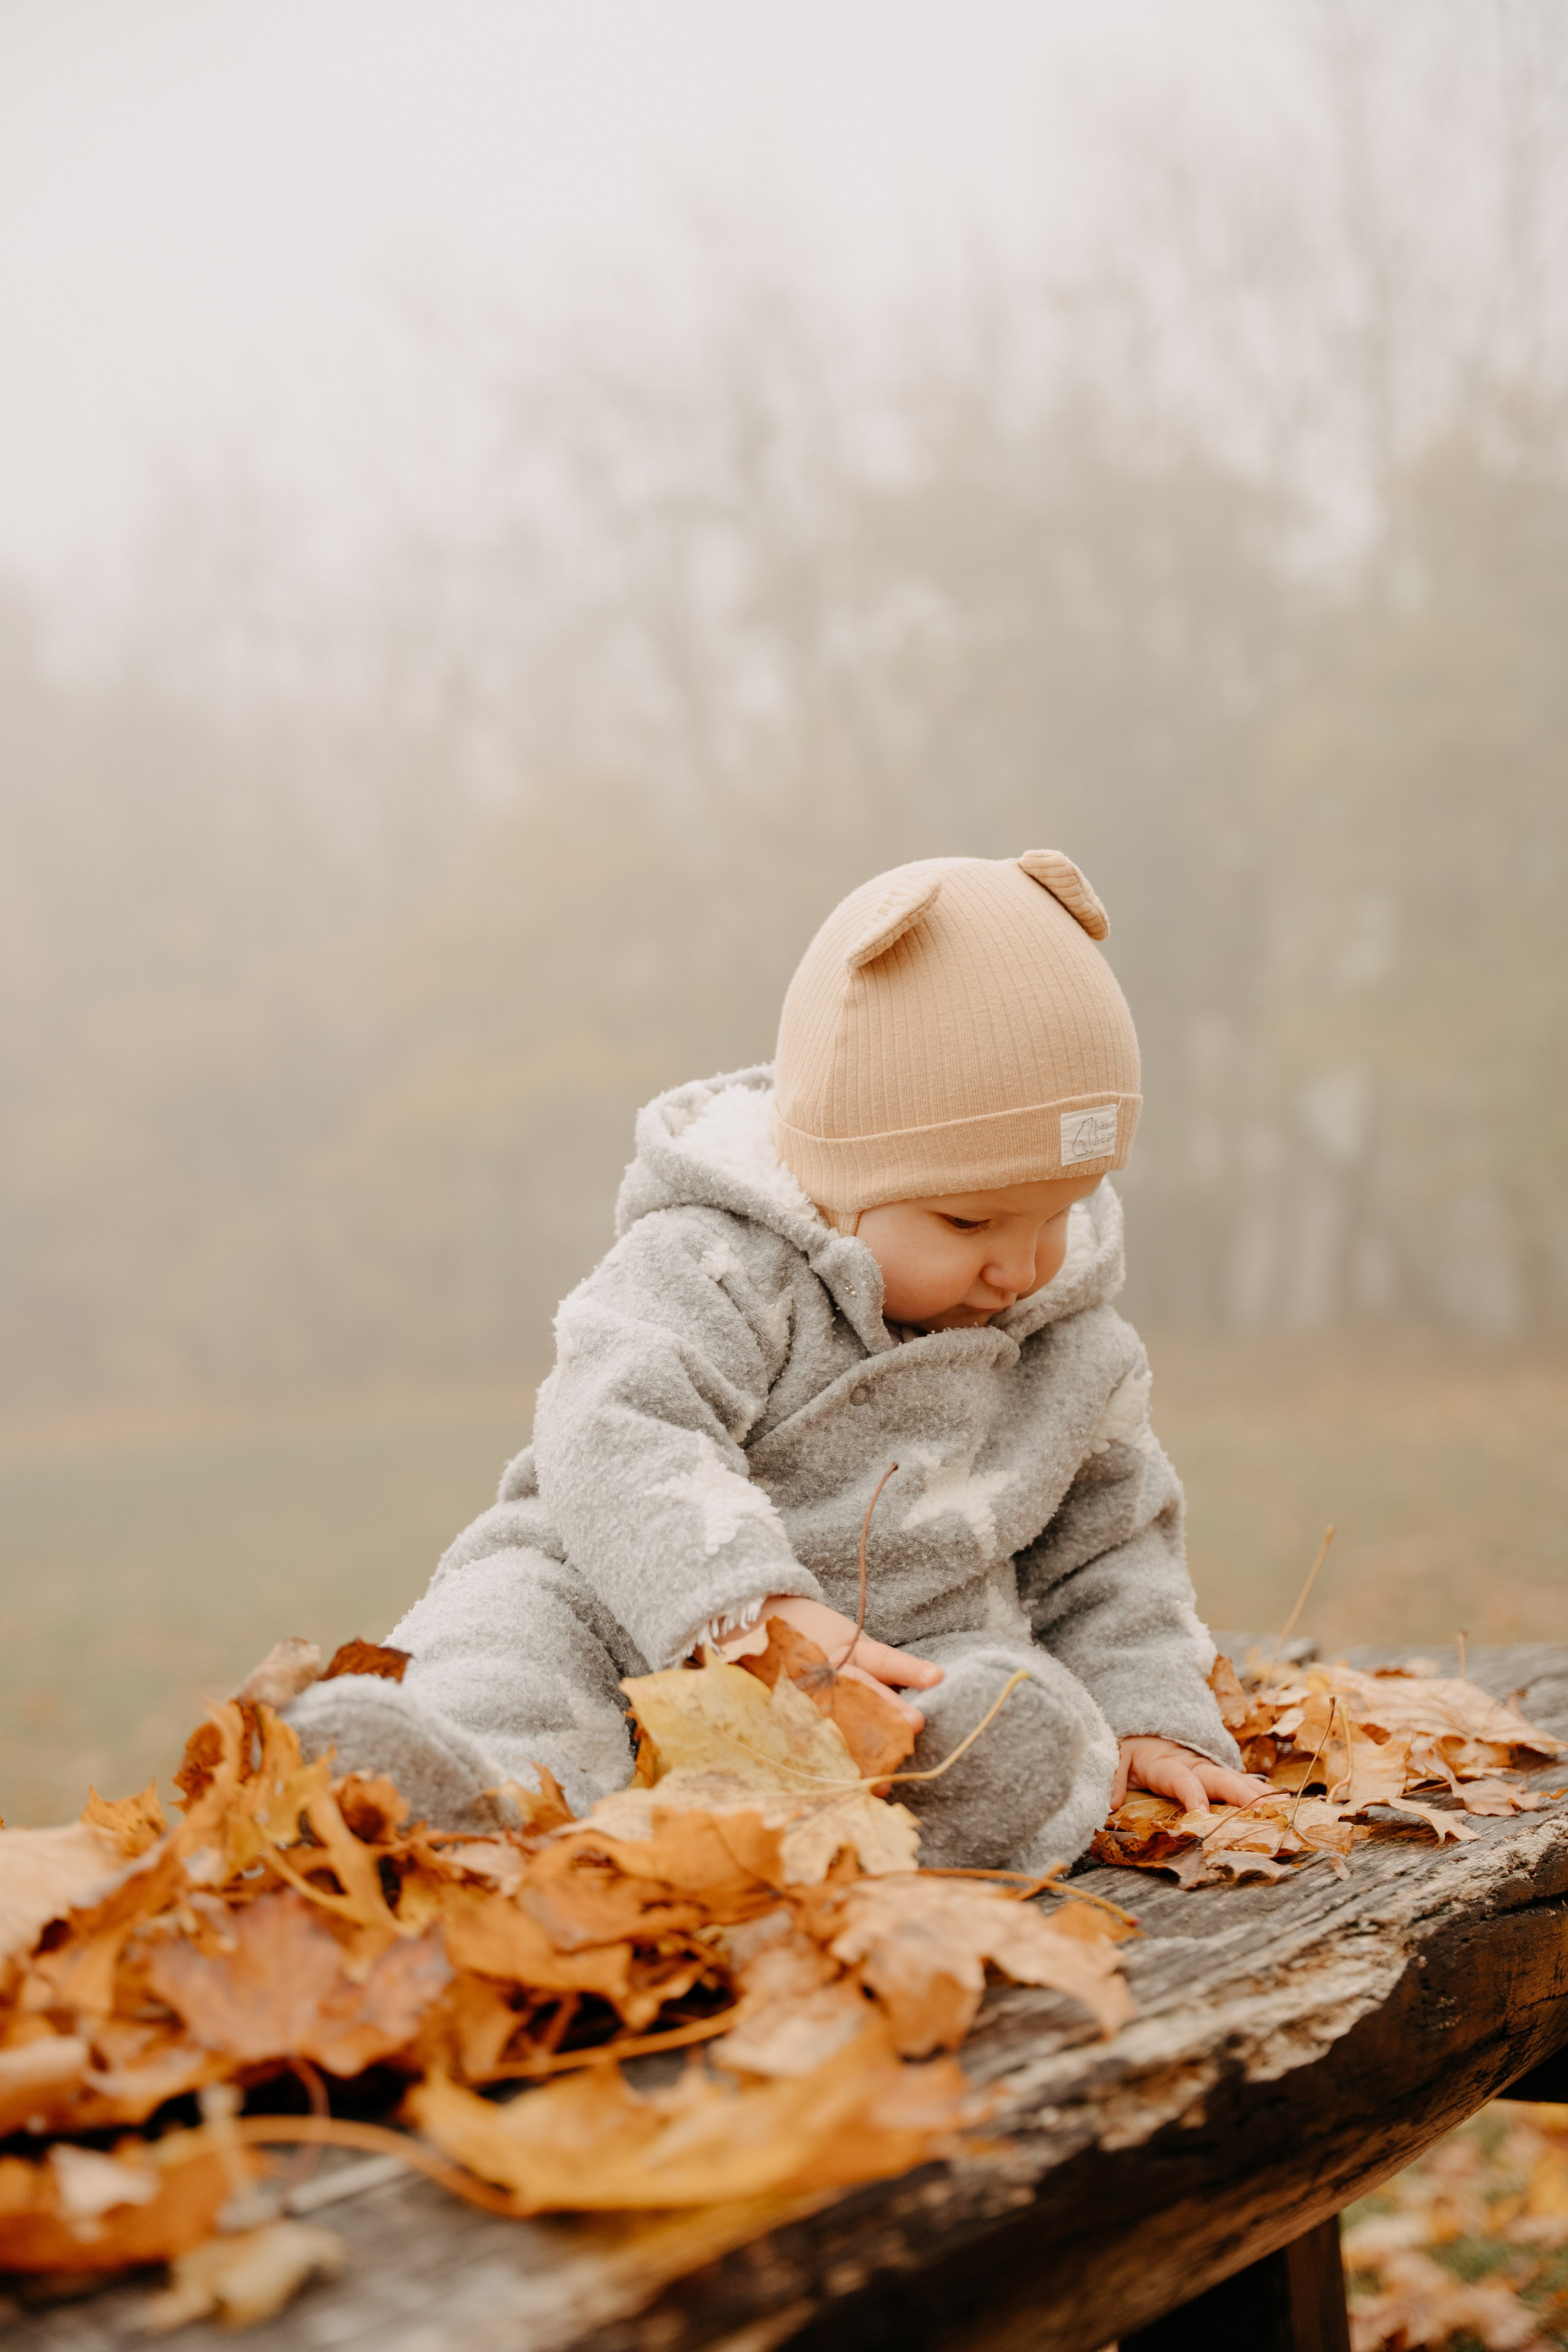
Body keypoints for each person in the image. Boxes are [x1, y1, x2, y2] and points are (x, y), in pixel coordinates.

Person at [290, 850, 1265, 1865]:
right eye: (970, 1221)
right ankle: (461, 1791)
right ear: (839, 1171)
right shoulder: (713, 1263)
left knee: (1010, 1707)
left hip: (896, 1652)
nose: (1020, 1267)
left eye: (1059, 1213)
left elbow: (1114, 1549)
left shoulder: (1073, 1346)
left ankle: (923, 1801)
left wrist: (1151, 1710)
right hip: (610, 1598)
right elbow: (616, 1421)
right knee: (506, 1641)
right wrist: (749, 1611)